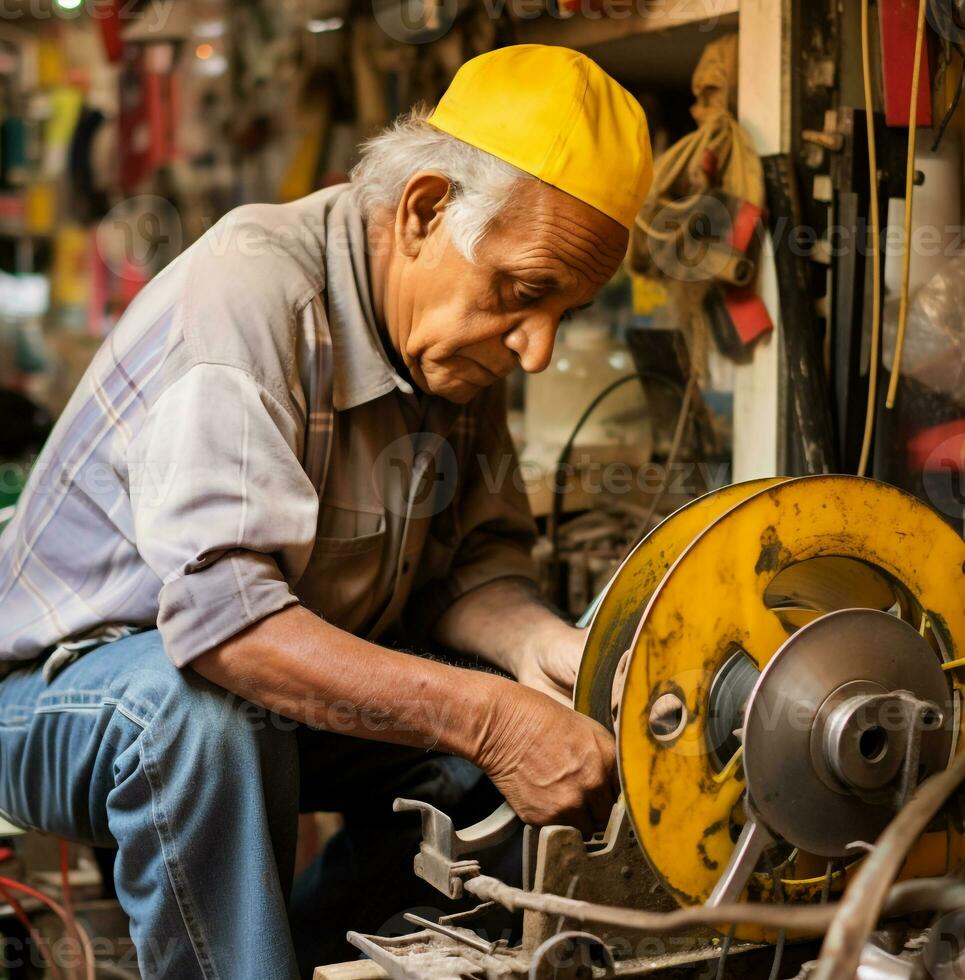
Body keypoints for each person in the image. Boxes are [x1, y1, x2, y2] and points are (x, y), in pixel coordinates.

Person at [0, 44, 653, 978]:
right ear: (425, 211)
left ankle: (305, 958)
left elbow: (472, 570)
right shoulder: (253, 292)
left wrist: (536, 651)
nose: (538, 348)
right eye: (525, 295)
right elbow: (225, 626)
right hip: (49, 699)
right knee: (200, 719)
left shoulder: (459, 341)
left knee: (505, 748)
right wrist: (493, 718)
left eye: (566, 313)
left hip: (246, 708)